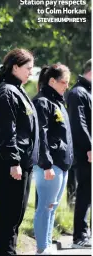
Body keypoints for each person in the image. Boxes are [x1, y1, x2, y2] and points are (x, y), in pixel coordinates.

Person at [0, 48, 39, 255]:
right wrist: (14, 161)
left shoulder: (17, 90)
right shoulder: (6, 92)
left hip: (21, 163)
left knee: (16, 217)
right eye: (28, 68)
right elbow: (6, 131)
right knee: (9, 218)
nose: (31, 72)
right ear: (15, 67)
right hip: (11, 164)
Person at [33, 64, 74, 255]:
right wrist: (47, 164)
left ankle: (47, 244)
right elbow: (41, 136)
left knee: (52, 207)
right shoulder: (42, 102)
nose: (67, 86)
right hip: (50, 166)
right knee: (45, 207)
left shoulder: (58, 102)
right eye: (64, 82)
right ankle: (42, 248)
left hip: (61, 165)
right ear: (52, 81)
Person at [67, 59, 92, 249]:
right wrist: (90, 148)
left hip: (88, 151)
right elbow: (79, 124)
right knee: (85, 192)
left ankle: (86, 232)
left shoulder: (87, 92)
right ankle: (80, 236)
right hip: (85, 153)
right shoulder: (78, 93)